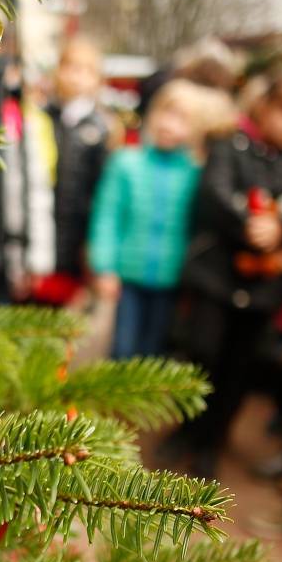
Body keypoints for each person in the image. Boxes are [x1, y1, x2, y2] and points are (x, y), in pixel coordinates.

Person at [168, 74, 282, 479]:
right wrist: (253, 226)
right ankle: (184, 430)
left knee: (238, 370)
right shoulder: (229, 147)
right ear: (263, 107)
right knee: (201, 356)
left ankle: (211, 443)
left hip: (263, 291)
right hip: (214, 279)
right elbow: (214, 195)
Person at [89, 79, 206, 359]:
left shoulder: (195, 172)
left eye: (182, 118)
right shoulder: (127, 162)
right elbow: (107, 215)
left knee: (155, 350)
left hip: (171, 277)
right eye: (166, 112)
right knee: (123, 348)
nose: (170, 124)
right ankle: (114, 403)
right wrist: (104, 266)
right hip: (128, 273)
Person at [27, 38, 113, 307]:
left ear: (97, 79)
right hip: (39, 233)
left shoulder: (101, 129)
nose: (77, 77)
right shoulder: (41, 117)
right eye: (71, 67)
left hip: (75, 241)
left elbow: (101, 193)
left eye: (86, 70)